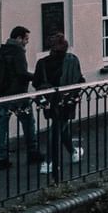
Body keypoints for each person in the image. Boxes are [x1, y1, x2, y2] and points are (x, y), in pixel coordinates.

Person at [32, 31, 85, 176]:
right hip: (67, 99)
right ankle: (49, 162)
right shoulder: (72, 60)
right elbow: (80, 80)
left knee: (60, 126)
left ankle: (74, 151)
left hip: (49, 100)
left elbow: (36, 82)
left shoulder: (42, 63)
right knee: (57, 129)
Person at [0, 26, 39, 169]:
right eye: (26, 39)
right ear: (19, 38)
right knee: (28, 123)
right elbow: (21, 73)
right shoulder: (18, 52)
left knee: (0, 128)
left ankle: (1, 158)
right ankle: (32, 152)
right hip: (17, 95)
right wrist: (36, 76)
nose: (27, 42)